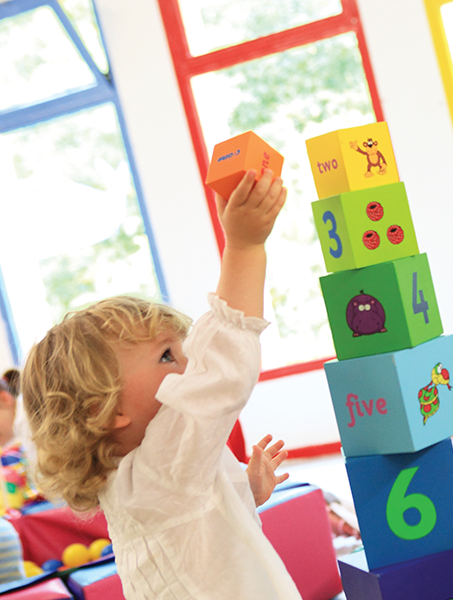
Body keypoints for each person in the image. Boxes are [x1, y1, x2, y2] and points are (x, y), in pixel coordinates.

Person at [21, 169, 301, 600]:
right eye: (168, 356)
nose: (189, 363)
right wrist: (245, 247)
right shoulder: (161, 466)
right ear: (105, 410)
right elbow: (223, 367)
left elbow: (196, 525)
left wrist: (243, 491)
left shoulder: (133, 480)